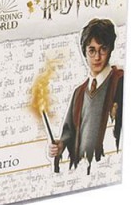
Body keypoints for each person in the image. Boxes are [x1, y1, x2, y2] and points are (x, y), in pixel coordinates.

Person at [49, 18, 123, 174]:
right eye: (92, 50)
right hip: (81, 171)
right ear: (84, 52)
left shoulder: (120, 82)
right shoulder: (79, 93)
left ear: (110, 49)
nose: (97, 57)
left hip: (109, 168)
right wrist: (61, 145)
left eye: (103, 49)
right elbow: (69, 132)